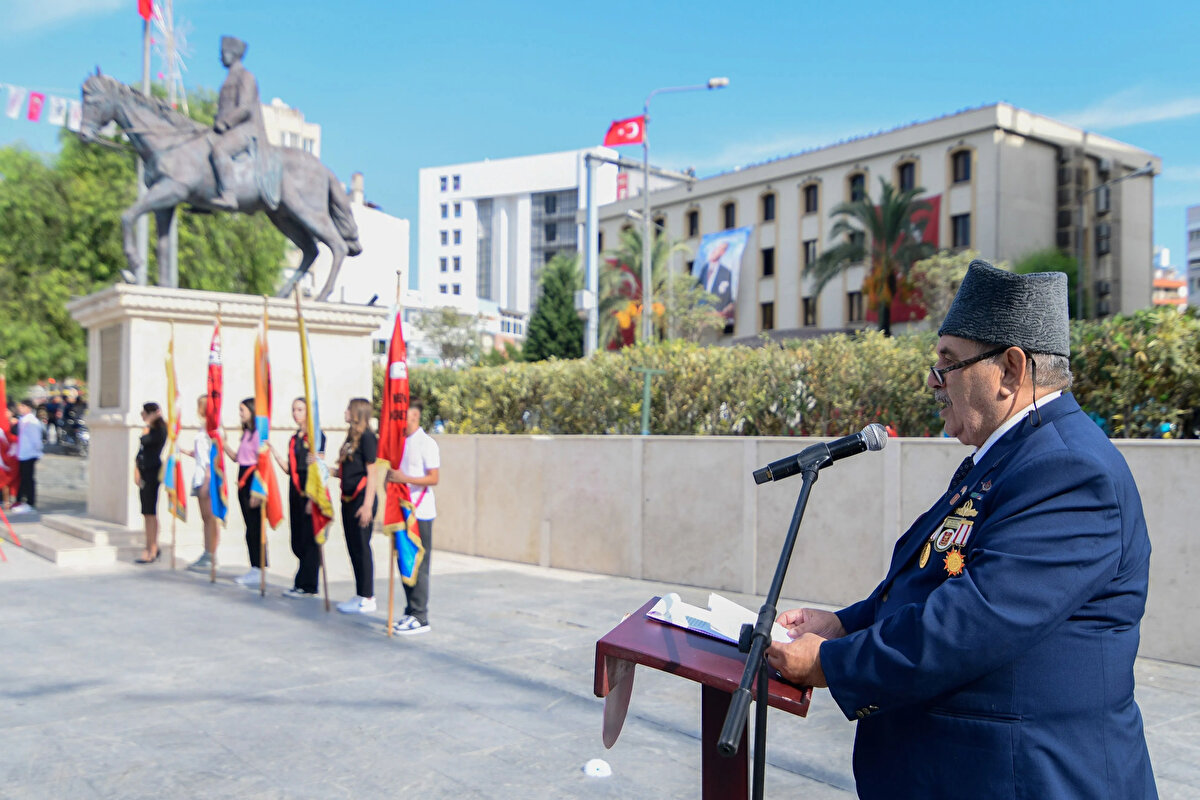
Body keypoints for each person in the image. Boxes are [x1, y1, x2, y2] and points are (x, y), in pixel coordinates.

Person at [766, 260, 1156, 799]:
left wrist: (831, 663)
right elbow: (936, 576)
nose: (933, 379)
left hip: (1028, 779)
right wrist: (844, 624)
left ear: (1011, 370)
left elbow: (975, 619)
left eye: (949, 362)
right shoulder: (1011, 456)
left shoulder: (1069, 471)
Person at [386, 398, 440, 635]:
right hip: (402, 512)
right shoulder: (400, 443)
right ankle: (410, 610)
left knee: (420, 563)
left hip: (421, 512)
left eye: (405, 416)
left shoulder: (427, 443)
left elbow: (433, 478)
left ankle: (421, 615)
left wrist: (404, 478)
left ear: (415, 417)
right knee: (405, 561)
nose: (401, 421)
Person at [268, 397, 326, 599]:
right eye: (294, 409)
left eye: (300, 409)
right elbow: (289, 469)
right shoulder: (293, 439)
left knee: (310, 539)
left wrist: (312, 498)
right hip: (294, 490)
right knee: (297, 539)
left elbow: (319, 468)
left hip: (309, 492)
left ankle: (308, 584)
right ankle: (302, 581)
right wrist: (274, 453)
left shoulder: (316, 436)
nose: (296, 413)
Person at [209, 35, 268, 210]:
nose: (220, 57)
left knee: (220, 150)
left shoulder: (246, 76)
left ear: (233, 54)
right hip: (227, 129)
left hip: (246, 130)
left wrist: (225, 123)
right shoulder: (228, 78)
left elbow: (244, 108)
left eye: (223, 53)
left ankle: (229, 195)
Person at [333, 398, 378, 614]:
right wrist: (324, 469)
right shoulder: (352, 438)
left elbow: (372, 472)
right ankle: (360, 593)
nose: (345, 412)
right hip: (347, 499)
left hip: (362, 500)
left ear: (357, 412)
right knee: (352, 547)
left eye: (348, 409)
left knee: (362, 547)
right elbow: (345, 471)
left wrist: (368, 505)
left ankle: (368, 596)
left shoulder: (369, 437)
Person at [221, 398, 264, 586]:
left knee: (255, 526)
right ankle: (254, 565)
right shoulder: (246, 433)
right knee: (249, 526)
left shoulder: (257, 434)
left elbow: (260, 463)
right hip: (242, 479)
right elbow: (239, 458)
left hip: (253, 479)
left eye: (242, 410)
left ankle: (260, 567)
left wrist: (257, 490)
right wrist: (223, 445)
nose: (240, 413)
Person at [184, 395, 220, 573]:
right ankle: (207, 551)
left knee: (211, 518)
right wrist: (183, 451)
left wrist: (207, 479)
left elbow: (211, 458)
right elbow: (200, 454)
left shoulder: (212, 430)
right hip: (199, 476)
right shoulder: (202, 428)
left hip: (207, 477)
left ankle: (211, 552)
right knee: (205, 518)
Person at [134, 402, 167, 563]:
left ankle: (152, 547)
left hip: (152, 472)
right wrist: (136, 470)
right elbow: (140, 451)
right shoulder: (150, 428)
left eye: (145, 413)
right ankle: (150, 545)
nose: (143, 416)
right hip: (144, 471)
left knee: (150, 512)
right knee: (146, 512)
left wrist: (148, 425)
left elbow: (147, 441)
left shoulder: (160, 429)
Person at [11, 399, 44, 514]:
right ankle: (23, 501)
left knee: (29, 479)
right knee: (24, 479)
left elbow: (36, 440)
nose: (20, 408)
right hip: (23, 453)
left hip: (30, 454)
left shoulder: (32, 421)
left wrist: (37, 452)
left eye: (22, 406)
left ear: (28, 408)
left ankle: (31, 503)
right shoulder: (23, 420)